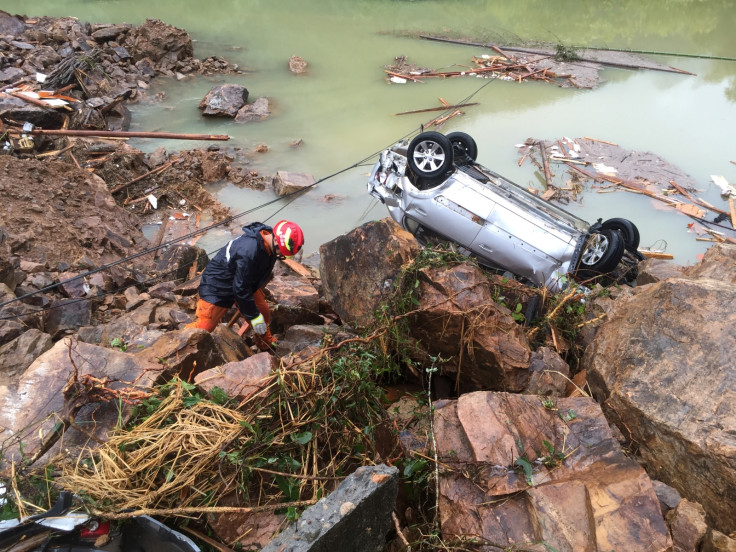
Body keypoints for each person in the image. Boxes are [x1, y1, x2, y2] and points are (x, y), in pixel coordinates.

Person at [187, 220, 304, 350]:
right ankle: (176, 344)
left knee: (263, 312)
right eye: (281, 252)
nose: (281, 256)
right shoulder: (248, 251)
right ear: (276, 241)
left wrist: (256, 315)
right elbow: (240, 289)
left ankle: (265, 342)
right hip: (218, 284)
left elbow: (244, 284)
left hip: (245, 281)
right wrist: (253, 317)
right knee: (204, 328)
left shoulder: (269, 241)